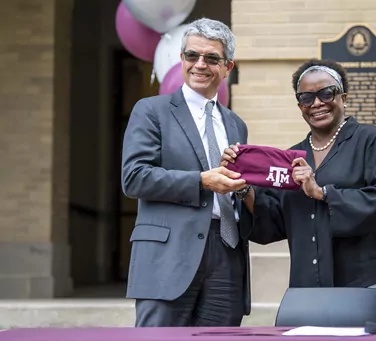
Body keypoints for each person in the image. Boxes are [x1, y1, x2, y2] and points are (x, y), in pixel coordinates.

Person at [221, 59, 376, 326]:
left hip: (367, 283)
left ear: (343, 97)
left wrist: (321, 192)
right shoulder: (292, 157)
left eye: (326, 93)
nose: (317, 103)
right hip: (310, 290)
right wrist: (244, 186)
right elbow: (273, 221)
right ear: (300, 106)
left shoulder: (369, 140)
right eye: (307, 97)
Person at [121, 18, 252, 327]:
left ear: (227, 67)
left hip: (226, 254)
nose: (200, 64)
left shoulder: (236, 124)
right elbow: (134, 177)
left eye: (211, 58)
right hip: (168, 257)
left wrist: (245, 188)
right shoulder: (151, 110)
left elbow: (237, 186)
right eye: (192, 56)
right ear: (181, 59)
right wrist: (202, 181)